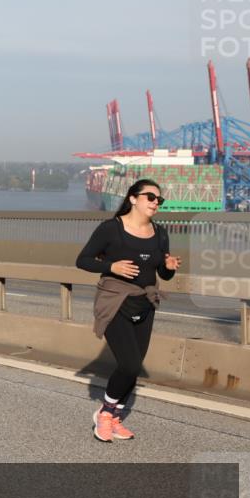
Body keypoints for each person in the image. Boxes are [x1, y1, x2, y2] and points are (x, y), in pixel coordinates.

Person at [76, 179, 180, 442]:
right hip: (115, 301)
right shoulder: (111, 229)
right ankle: (104, 413)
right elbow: (83, 260)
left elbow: (163, 274)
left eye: (159, 200)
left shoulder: (160, 233)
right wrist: (111, 267)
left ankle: (115, 417)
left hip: (145, 303)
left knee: (134, 367)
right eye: (150, 197)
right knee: (130, 363)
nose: (156, 203)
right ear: (133, 198)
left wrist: (169, 267)